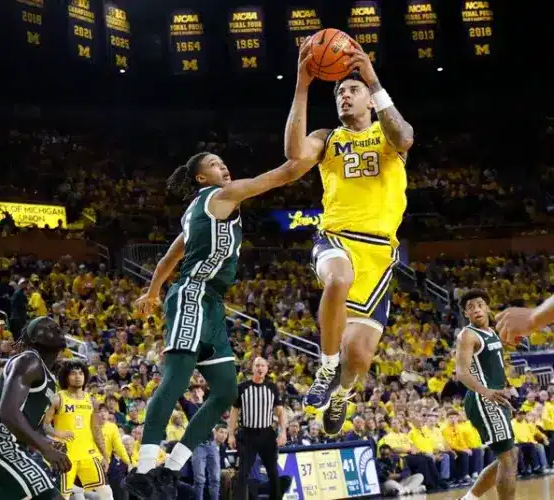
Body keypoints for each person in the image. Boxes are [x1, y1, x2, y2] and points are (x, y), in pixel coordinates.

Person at [122, 76, 316, 499]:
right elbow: (281, 174)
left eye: (222, 162)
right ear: (199, 177)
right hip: (192, 294)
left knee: (228, 390)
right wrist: (313, 151)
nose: (223, 167)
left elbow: (171, 254)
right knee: (174, 382)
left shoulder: (198, 212)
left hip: (211, 303)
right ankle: (141, 470)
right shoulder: (218, 197)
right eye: (213, 163)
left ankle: (170, 469)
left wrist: (153, 290)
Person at [285, 38, 415, 435]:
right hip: (337, 236)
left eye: (352, 89)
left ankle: (341, 396)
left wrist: (373, 79)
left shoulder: (388, 136)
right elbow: (293, 153)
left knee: (358, 356)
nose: (345, 95)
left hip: (379, 251)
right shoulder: (328, 138)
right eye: (341, 91)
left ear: (370, 100)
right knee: (338, 278)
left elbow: (406, 137)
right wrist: (302, 85)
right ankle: (325, 367)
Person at [0, 316, 72, 500]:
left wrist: (48, 441)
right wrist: (45, 448)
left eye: (57, 326)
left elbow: (27, 423)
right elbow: (8, 413)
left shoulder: (47, 375)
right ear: (35, 338)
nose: (57, 329)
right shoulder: (29, 361)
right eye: (49, 327)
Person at [454, 289, 517, 500]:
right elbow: (461, 372)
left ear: (487, 308)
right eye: (471, 307)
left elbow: (493, 367)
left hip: (496, 399)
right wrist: (486, 391)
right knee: (508, 459)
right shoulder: (467, 335)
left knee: (508, 457)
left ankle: (469, 499)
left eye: (480, 304)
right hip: (483, 400)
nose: (476, 309)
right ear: (466, 314)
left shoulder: (492, 332)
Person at [45, 360, 112, 500]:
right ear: (66, 377)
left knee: (106, 491)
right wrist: (57, 433)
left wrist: (105, 455)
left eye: (81, 373)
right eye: (73, 373)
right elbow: (43, 425)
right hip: (65, 456)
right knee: (62, 496)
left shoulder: (91, 400)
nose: (77, 376)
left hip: (88, 455)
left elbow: (96, 430)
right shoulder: (58, 398)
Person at [227, 357, 286, 500]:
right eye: (257, 365)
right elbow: (234, 412)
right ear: (253, 368)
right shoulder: (242, 387)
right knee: (243, 472)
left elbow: (280, 411)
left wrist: (283, 432)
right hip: (247, 434)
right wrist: (231, 434)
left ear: (267, 369)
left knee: (273, 471)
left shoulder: (272, 387)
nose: (260, 368)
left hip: (267, 433)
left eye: (262, 365)